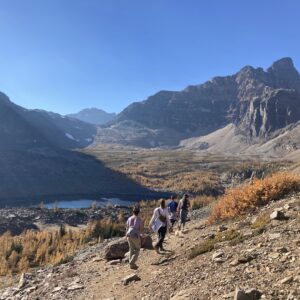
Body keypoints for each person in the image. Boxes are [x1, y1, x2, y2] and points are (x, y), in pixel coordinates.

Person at [126, 205, 144, 270]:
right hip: (135, 235)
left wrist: (126, 235)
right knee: (137, 249)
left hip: (128, 234)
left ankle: (131, 265)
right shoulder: (140, 220)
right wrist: (142, 235)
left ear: (133, 212)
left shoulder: (129, 218)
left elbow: (127, 227)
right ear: (138, 212)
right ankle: (131, 262)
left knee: (131, 249)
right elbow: (141, 229)